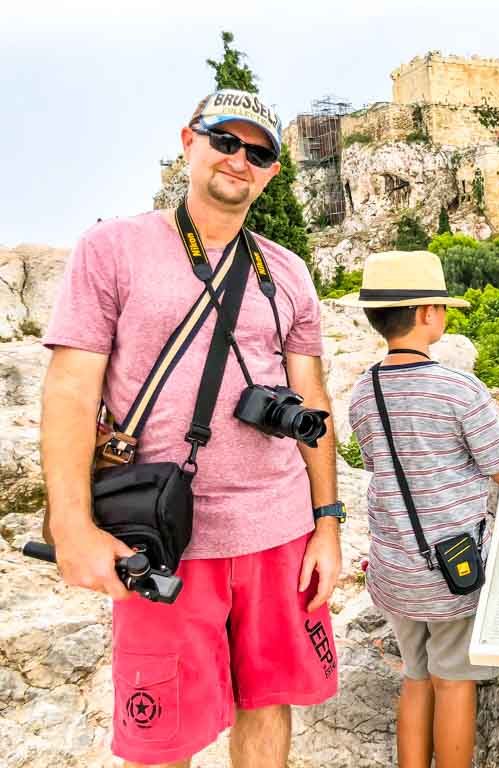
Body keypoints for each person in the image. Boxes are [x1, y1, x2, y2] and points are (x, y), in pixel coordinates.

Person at [40, 88, 343, 768]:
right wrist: (72, 525)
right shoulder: (111, 248)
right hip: (163, 536)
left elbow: (311, 395)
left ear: (272, 171)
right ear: (189, 140)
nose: (240, 160)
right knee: (161, 734)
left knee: (268, 702)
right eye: (225, 140)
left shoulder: (287, 270)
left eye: (259, 152)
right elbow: (68, 387)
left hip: (279, 530)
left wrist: (327, 522)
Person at [343, 251, 499, 768]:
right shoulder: (459, 388)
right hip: (451, 570)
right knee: (454, 680)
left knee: (415, 675)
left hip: (395, 568)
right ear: (429, 312)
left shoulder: (365, 390)